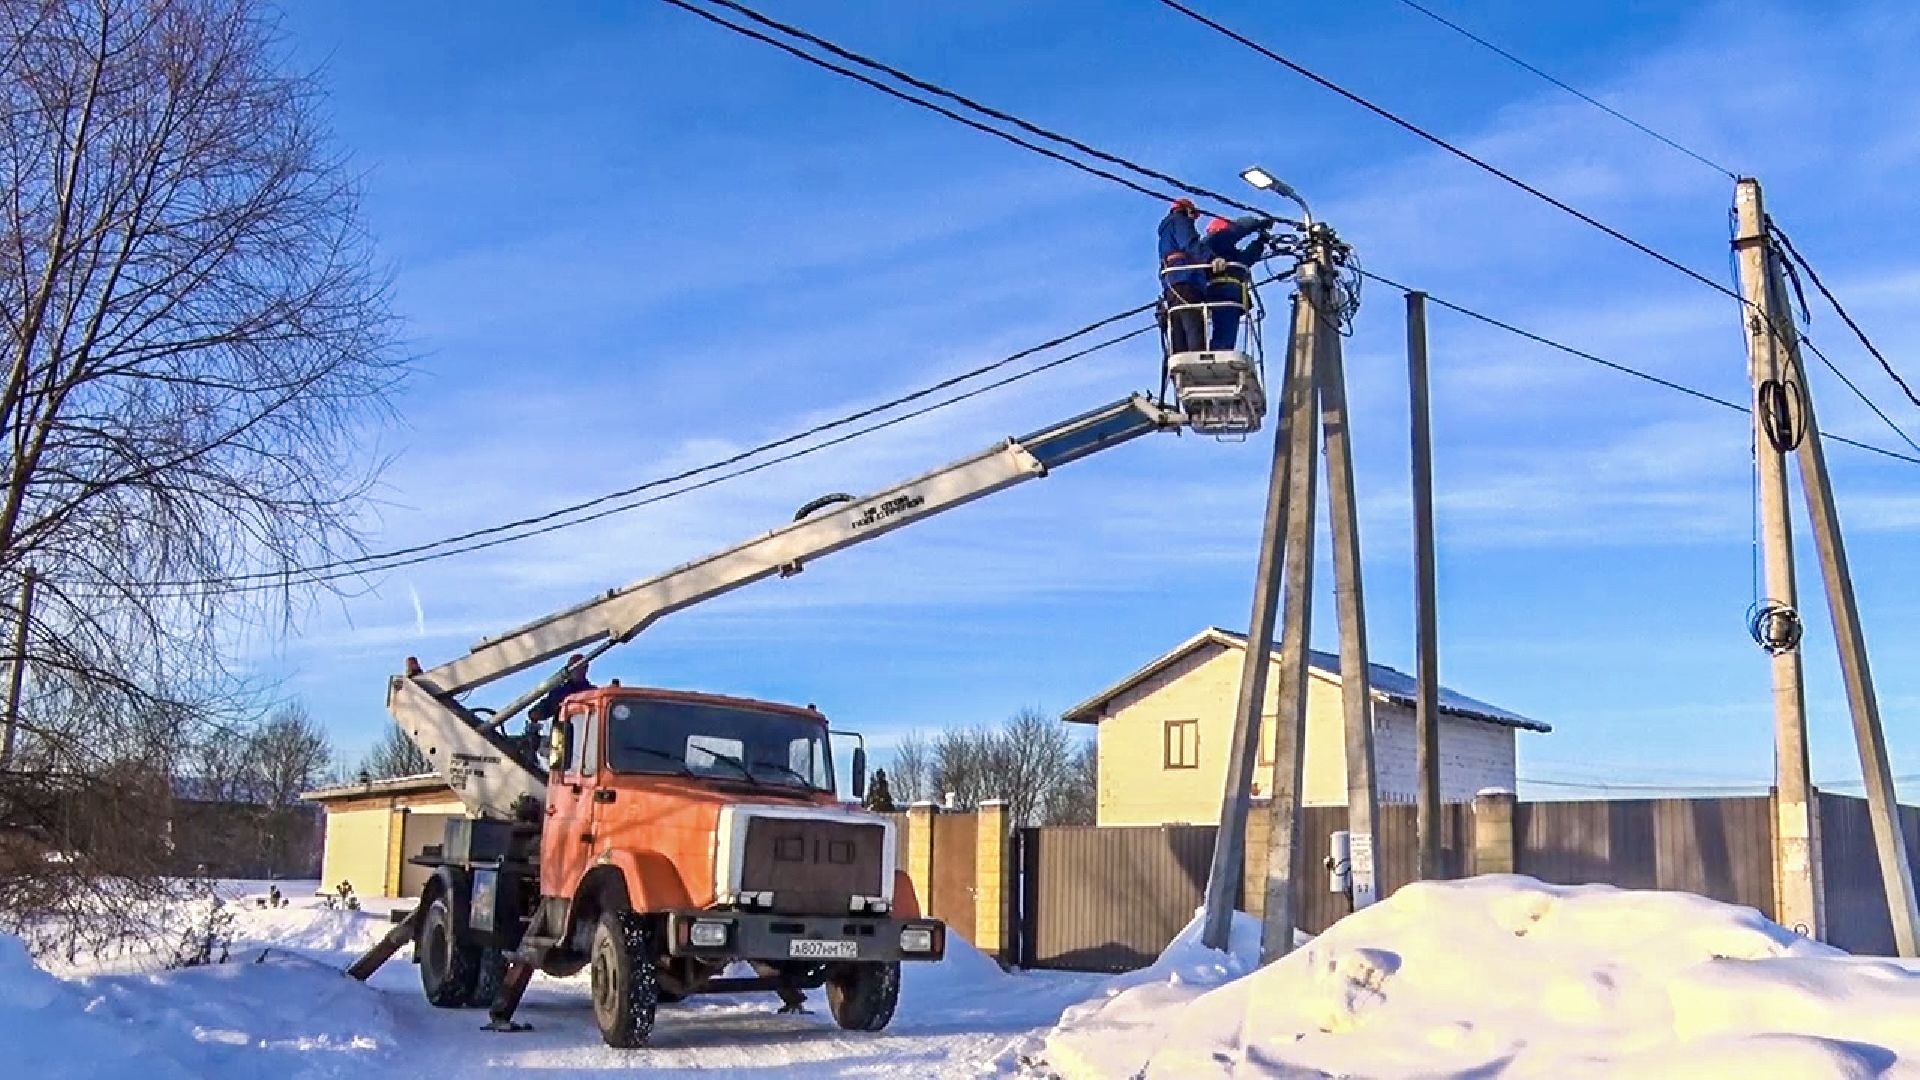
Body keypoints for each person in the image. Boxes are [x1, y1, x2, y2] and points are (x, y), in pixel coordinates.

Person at [1198, 215, 1272, 350]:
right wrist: (1257, 223)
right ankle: (1219, 350)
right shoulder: (1214, 241)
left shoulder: (1225, 252)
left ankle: (1220, 350)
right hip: (1224, 291)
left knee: (1225, 330)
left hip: (1227, 292)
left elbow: (1244, 259)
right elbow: (1238, 229)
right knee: (1224, 330)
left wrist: (1260, 243)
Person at [1157, 199, 1207, 354]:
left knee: (1178, 328)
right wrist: (1211, 259)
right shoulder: (1181, 222)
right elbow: (1190, 244)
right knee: (1193, 326)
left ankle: (1181, 368)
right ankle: (1197, 361)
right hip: (1186, 280)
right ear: (1188, 211)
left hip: (1171, 283)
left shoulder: (1166, 232)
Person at [526, 653, 594, 761]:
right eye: (573, 667)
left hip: (586, 746)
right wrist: (535, 715)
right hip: (563, 747)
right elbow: (542, 710)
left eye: (580, 667)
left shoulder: (593, 694)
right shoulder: (560, 692)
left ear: (586, 669)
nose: (576, 670)